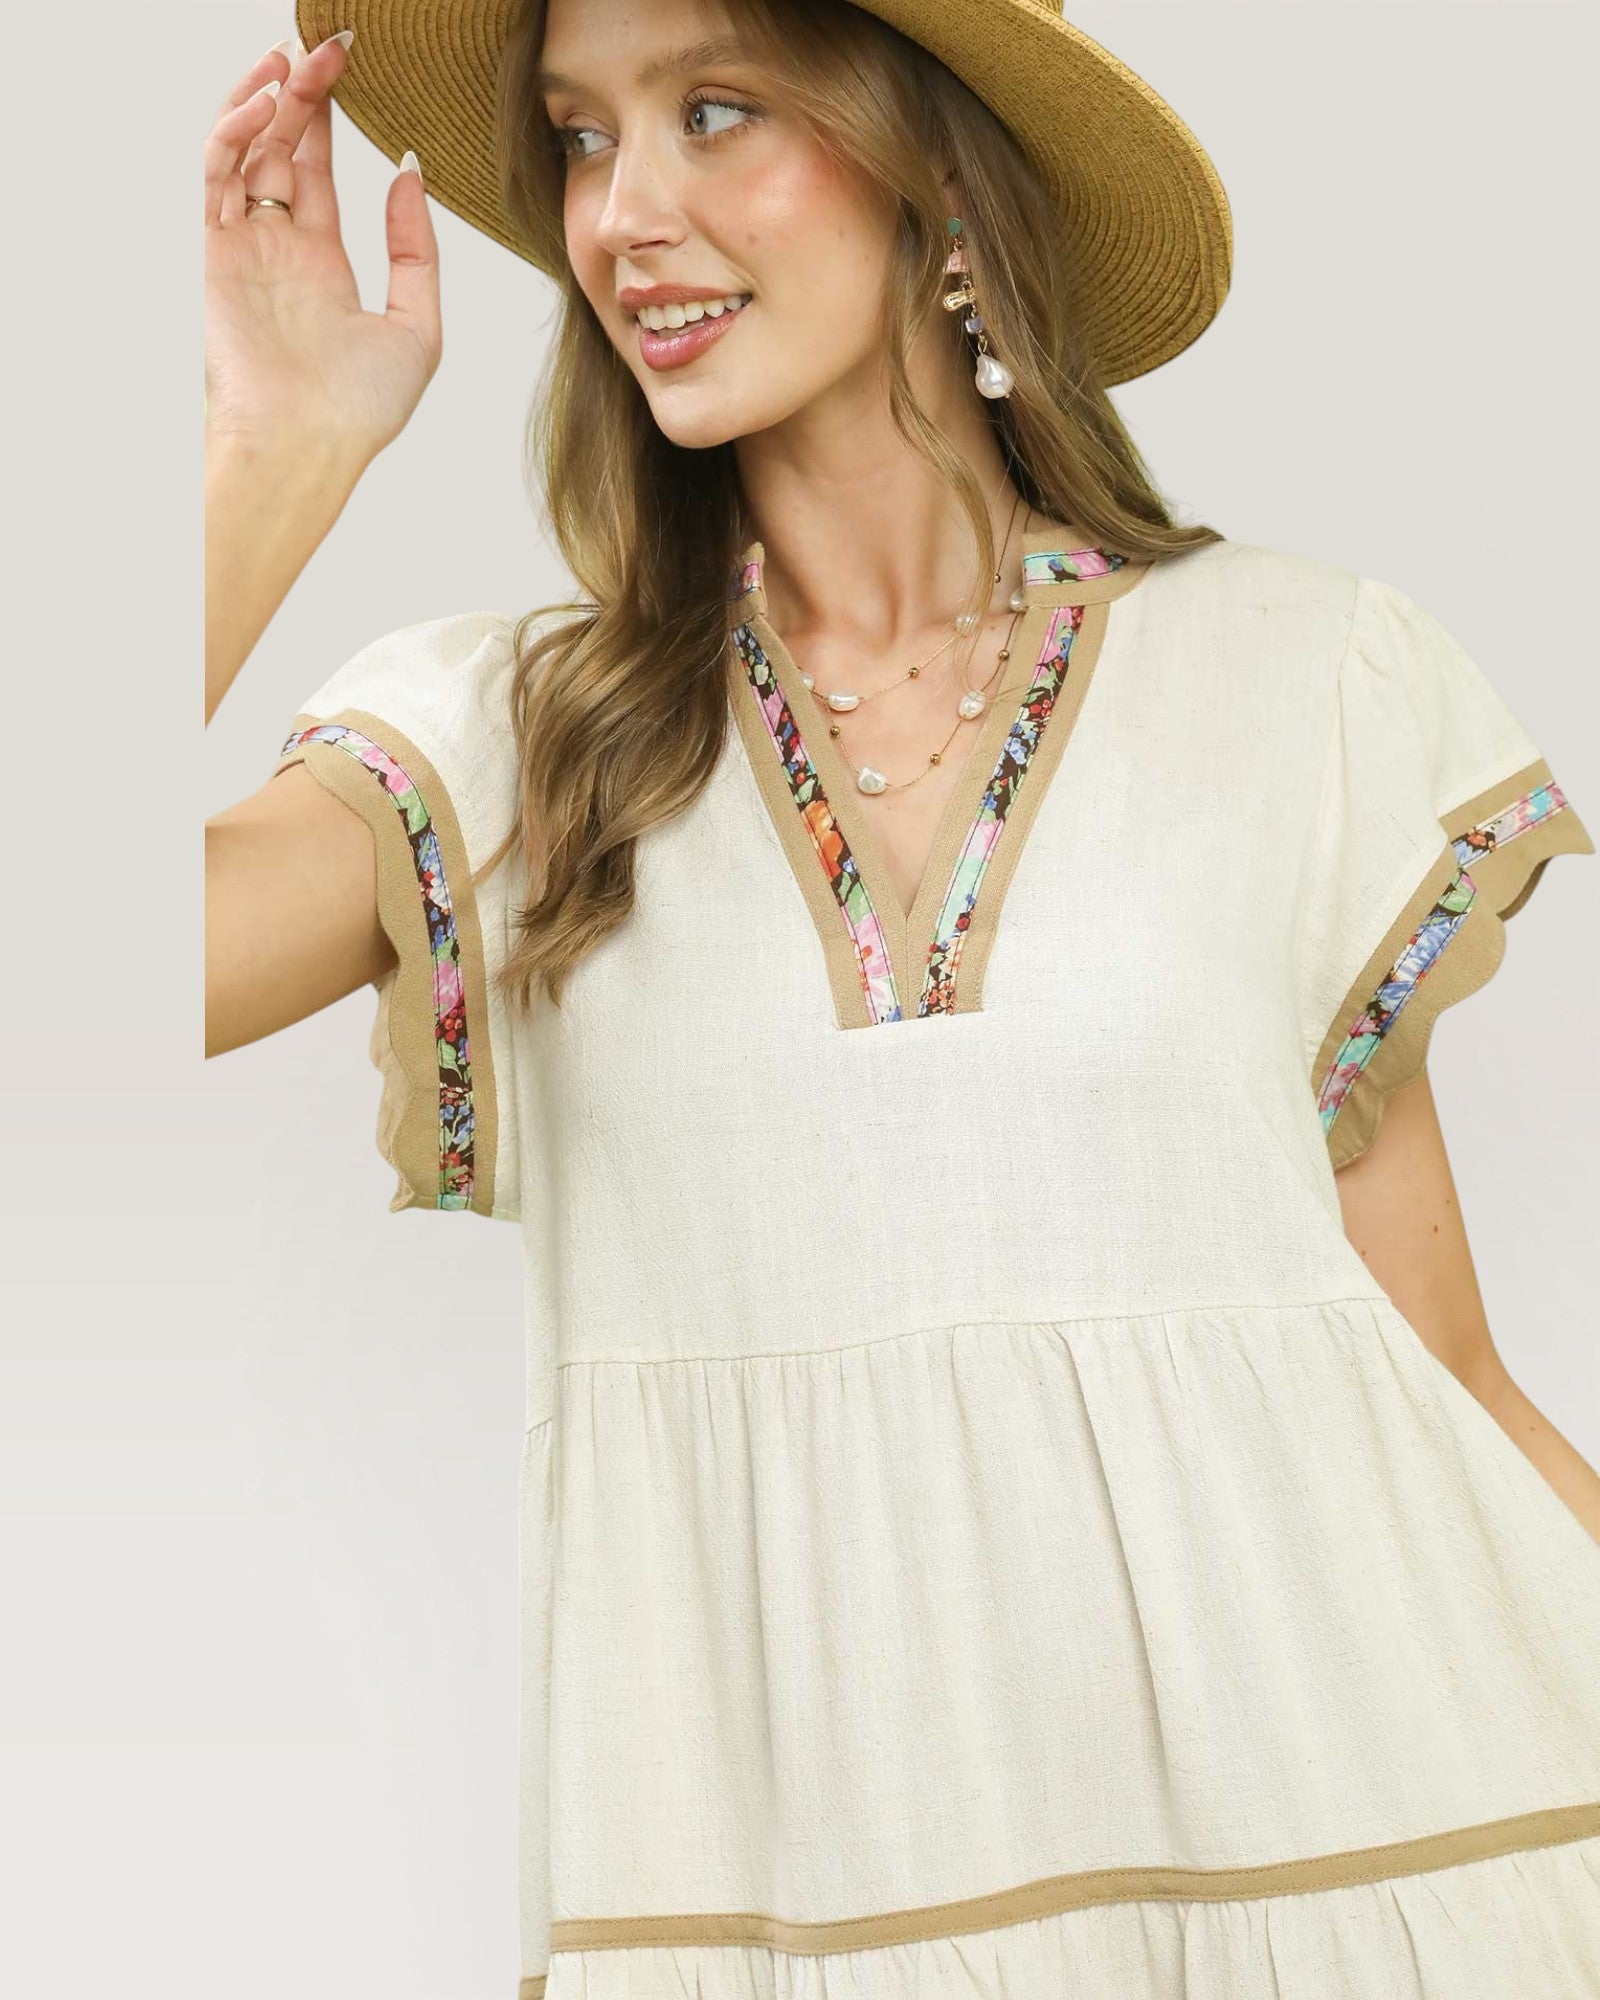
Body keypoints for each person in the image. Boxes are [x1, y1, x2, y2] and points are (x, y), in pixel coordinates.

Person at [203, 2, 1600, 1993]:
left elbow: (1436, 1373)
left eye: (712, 113)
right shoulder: (504, 746)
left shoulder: (1306, 680)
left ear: (935, 172)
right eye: (584, 139)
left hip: (1362, 1880)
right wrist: (275, 445)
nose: (625, 218)